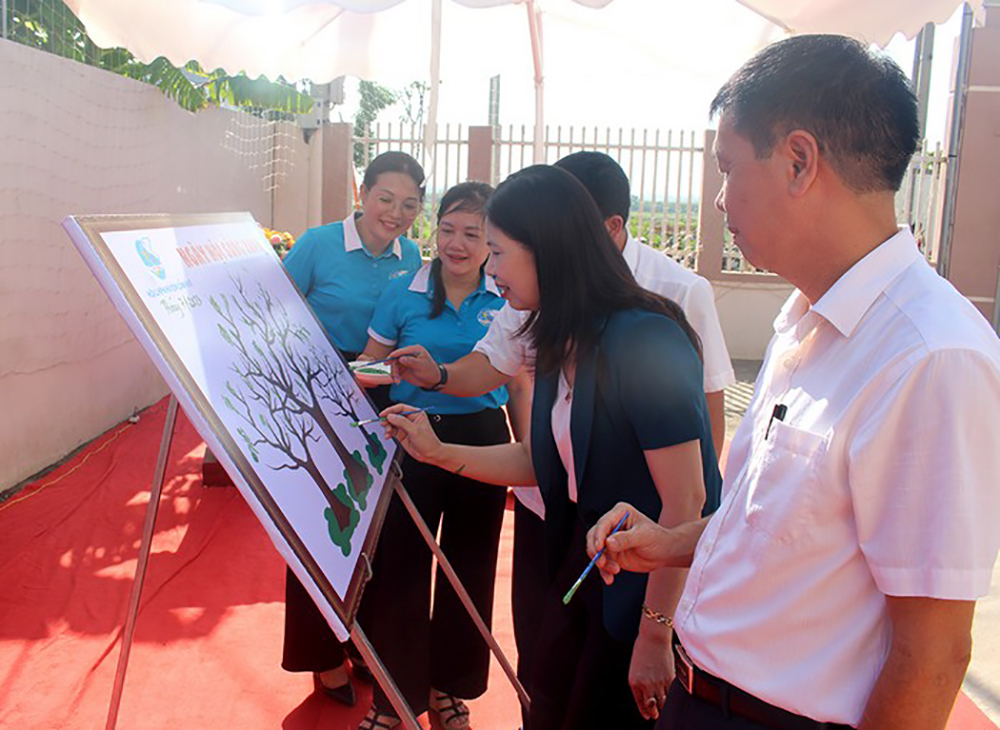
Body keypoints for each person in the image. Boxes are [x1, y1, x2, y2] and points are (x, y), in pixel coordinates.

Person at [587, 35, 1000, 730]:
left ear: (799, 161)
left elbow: (932, 654)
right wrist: (667, 542)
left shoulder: (930, 357)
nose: (719, 201)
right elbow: (779, 532)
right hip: (705, 697)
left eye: (727, 168)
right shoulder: (805, 320)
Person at [382, 165, 722, 730]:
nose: (489, 267)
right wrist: (435, 450)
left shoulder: (644, 339)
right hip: (581, 576)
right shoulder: (555, 332)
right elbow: (544, 464)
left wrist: (654, 635)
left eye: (497, 251)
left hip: (635, 599)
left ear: (549, 251)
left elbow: (685, 502)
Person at [352, 182, 520, 730]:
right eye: (448, 229)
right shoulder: (404, 291)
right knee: (398, 568)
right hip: (410, 440)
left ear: (492, 239)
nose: (458, 244)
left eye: (473, 234)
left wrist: (529, 456)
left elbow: (517, 385)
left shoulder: (509, 297)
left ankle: (450, 691)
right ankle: (390, 696)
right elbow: (367, 367)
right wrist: (390, 371)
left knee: (468, 568)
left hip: (483, 440)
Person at [279, 151, 425, 704]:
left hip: (382, 394)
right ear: (363, 192)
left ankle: (362, 642)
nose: (396, 213)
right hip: (319, 392)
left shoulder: (410, 254)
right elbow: (277, 314)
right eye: (386, 198)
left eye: (410, 204)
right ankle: (320, 656)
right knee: (321, 523)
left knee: (374, 527)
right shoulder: (317, 245)